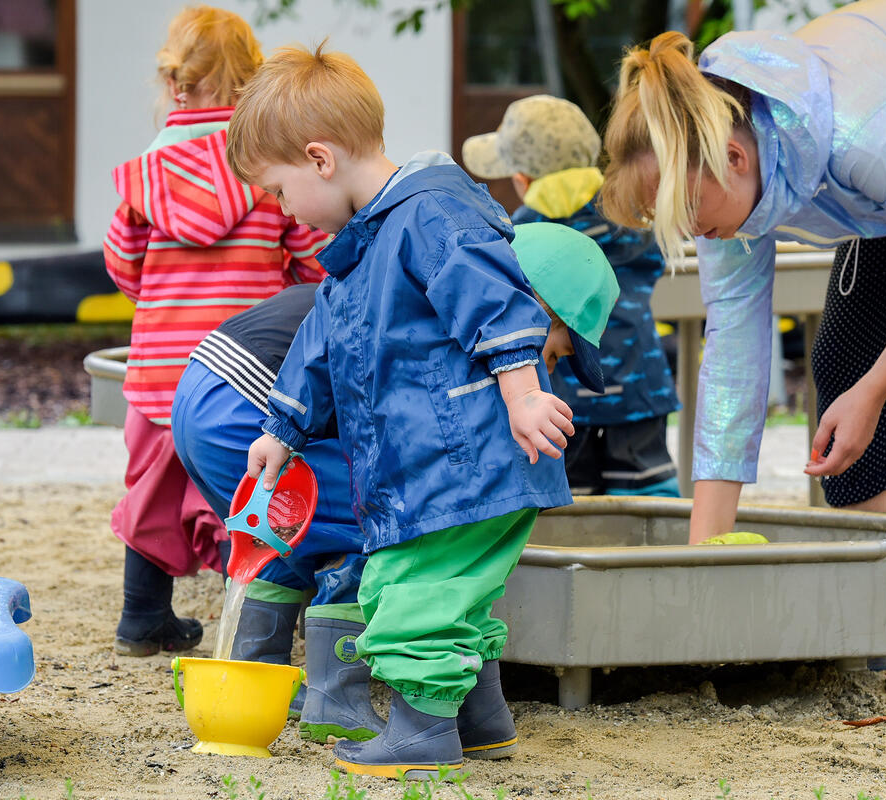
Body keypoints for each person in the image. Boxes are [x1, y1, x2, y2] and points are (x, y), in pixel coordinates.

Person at [226, 43, 618, 778]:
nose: (282, 211)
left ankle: (419, 733)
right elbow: (319, 346)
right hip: (441, 463)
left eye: (276, 192)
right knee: (457, 594)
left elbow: (498, 302)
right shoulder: (363, 250)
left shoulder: (430, 215)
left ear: (319, 159)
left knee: (407, 590)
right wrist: (281, 430)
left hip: (462, 457)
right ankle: (478, 716)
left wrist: (526, 392)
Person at [597, 0, 886, 702]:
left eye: (688, 217)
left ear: (737, 159)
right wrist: (702, 569)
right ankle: (878, 612)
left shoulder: (864, 134)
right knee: (839, 361)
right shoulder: (722, 170)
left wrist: (877, 389)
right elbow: (734, 355)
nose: (695, 237)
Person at [102, 6, 328, 658]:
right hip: (242, 367)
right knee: (245, 483)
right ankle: (254, 628)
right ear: (250, 84)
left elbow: (123, 264)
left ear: (177, 82)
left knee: (150, 488)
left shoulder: (149, 175)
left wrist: (164, 295)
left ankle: (142, 617)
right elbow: (309, 255)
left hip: (158, 367)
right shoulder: (266, 167)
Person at [170, 283, 382, 743]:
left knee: (278, 535)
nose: (547, 367)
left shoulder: (370, 273)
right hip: (252, 402)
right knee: (363, 525)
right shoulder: (437, 302)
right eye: (553, 354)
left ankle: (255, 678)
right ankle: (338, 701)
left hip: (197, 389)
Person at [463, 94, 680, 496]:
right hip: (639, 384)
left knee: (573, 511)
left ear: (523, 181)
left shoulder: (520, 236)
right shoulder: (628, 216)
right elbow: (653, 260)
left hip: (558, 398)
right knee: (649, 502)